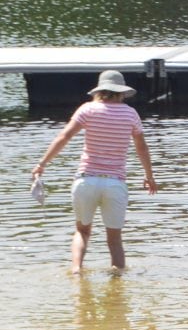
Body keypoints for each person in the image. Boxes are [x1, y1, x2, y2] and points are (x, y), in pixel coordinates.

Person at [29, 70, 159, 275]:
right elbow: (142, 147)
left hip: (86, 180)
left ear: (99, 91)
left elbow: (64, 136)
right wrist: (149, 176)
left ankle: (76, 270)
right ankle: (117, 286)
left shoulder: (87, 110)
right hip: (115, 183)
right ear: (121, 92)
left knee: (82, 231)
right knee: (115, 240)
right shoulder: (130, 113)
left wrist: (42, 164)